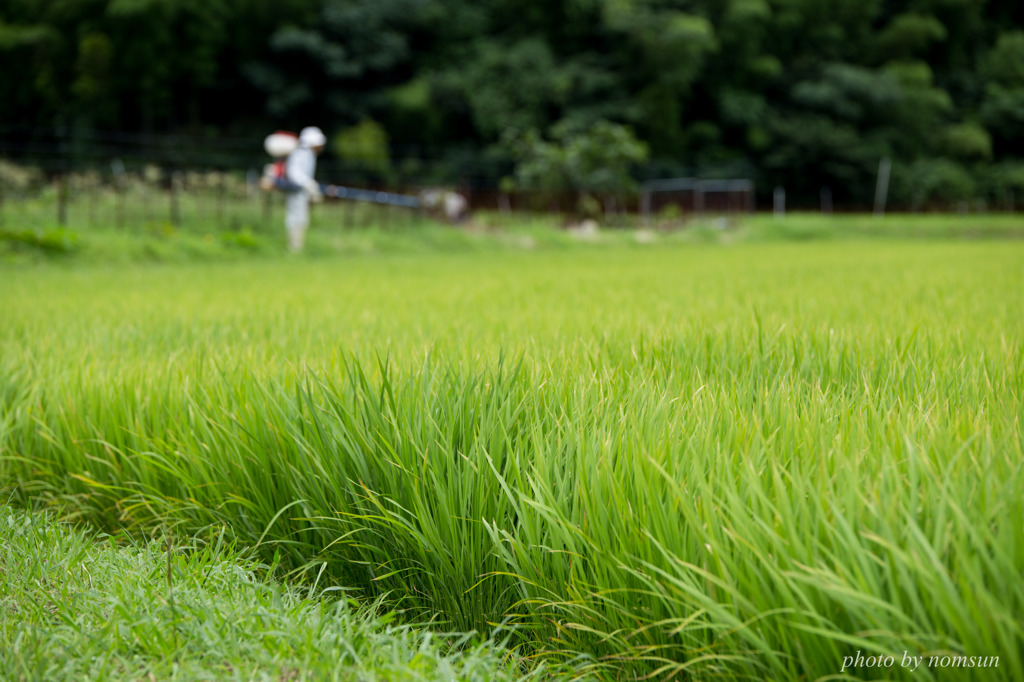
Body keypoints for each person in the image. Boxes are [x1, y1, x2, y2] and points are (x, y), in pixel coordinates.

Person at [284, 126, 327, 252]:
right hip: (296, 190)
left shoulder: (309, 154)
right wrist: (308, 184)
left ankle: (297, 247)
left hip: (301, 191)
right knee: (296, 218)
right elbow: (293, 173)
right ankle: (294, 248)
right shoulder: (302, 154)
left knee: (301, 219)